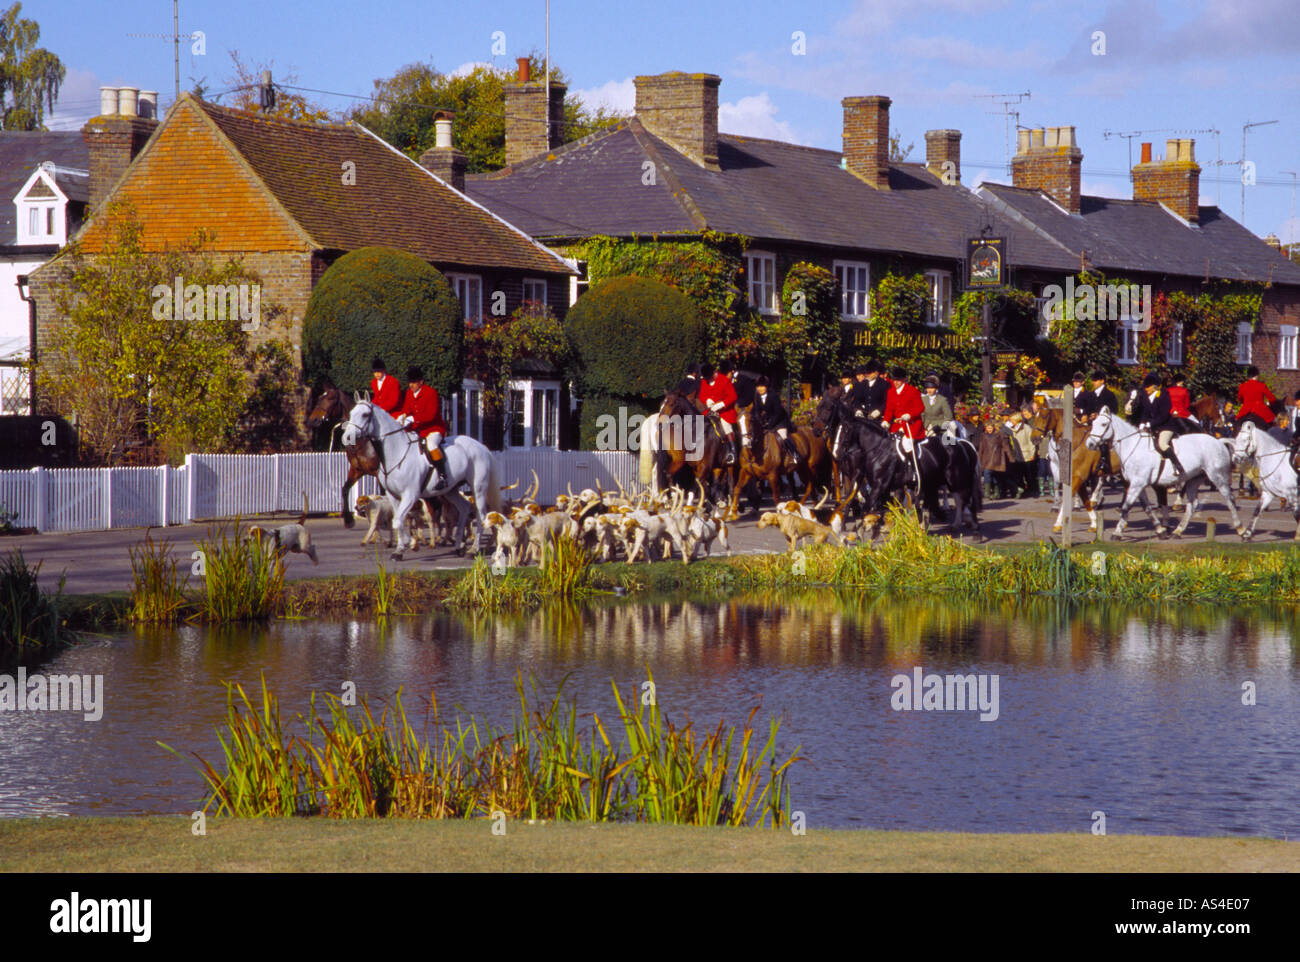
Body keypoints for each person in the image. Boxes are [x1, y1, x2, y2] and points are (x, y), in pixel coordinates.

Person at [396, 366, 449, 487]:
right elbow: (406, 409)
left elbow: (431, 415)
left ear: (421, 382)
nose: (411, 385)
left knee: (432, 445)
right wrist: (402, 416)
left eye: (414, 382)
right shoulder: (409, 393)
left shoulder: (431, 393)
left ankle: (443, 476)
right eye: (410, 382)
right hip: (417, 429)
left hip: (434, 428)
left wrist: (414, 419)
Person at [1132, 373, 1187, 479]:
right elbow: (1145, 412)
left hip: (1167, 425)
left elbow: (1164, 415)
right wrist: (1142, 423)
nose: (1145, 388)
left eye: (1147, 386)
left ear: (1154, 386)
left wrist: (1150, 424)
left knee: (1162, 444)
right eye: (1145, 386)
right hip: (1154, 426)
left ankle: (1177, 466)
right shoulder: (1146, 397)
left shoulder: (1163, 395)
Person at [752, 375, 802, 466]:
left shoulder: (773, 396)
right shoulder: (757, 396)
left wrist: (770, 424)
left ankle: (794, 454)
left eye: (762, 386)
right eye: (758, 386)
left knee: (783, 436)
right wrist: (759, 420)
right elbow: (757, 410)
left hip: (780, 421)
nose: (759, 388)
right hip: (768, 420)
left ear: (766, 387)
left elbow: (778, 413)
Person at [698, 362, 740, 464]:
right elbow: (702, 395)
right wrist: (707, 400)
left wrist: (721, 404)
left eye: (710, 378)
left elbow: (733, 396)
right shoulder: (704, 381)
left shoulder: (724, 380)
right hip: (710, 410)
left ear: (714, 373)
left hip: (725, 411)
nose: (709, 380)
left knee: (726, 427)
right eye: (707, 379)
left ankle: (733, 452)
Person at [977, 420, 1013, 498]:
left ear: (993, 428)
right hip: (986, 459)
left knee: (996, 476)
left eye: (991, 428)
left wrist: (1010, 457)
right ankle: (987, 492)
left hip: (997, 457)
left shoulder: (999, 435)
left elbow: (1006, 447)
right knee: (987, 474)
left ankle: (996, 493)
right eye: (988, 428)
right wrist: (979, 459)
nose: (989, 429)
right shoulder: (983, 436)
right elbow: (981, 449)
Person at [1235, 365, 1276, 432]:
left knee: (1237, 423)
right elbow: (1272, 399)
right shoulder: (1262, 385)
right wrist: (1270, 404)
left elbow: (1240, 398)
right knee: (1272, 421)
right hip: (1260, 409)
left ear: (1248, 376)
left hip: (1245, 409)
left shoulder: (1242, 386)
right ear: (1256, 375)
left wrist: (1246, 402)